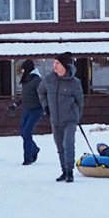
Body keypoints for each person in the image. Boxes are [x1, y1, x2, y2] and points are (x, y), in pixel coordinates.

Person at [37, 52, 84, 182]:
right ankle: (64, 171)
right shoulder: (49, 80)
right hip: (55, 120)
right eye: (54, 63)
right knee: (60, 147)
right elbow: (40, 92)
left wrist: (76, 116)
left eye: (57, 63)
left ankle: (70, 171)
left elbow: (80, 101)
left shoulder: (74, 83)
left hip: (70, 120)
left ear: (65, 65)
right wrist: (45, 106)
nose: (54, 66)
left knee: (68, 144)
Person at [7, 59, 44, 165]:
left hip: (36, 110)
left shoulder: (37, 80)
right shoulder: (27, 80)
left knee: (27, 132)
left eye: (23, 69)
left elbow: (43, 95)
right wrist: (15, 104)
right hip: (27, 109)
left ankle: (28, 158)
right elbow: (25, 96)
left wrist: (46, 107)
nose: (22, 71)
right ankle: (35, 149)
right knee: (23, 132)